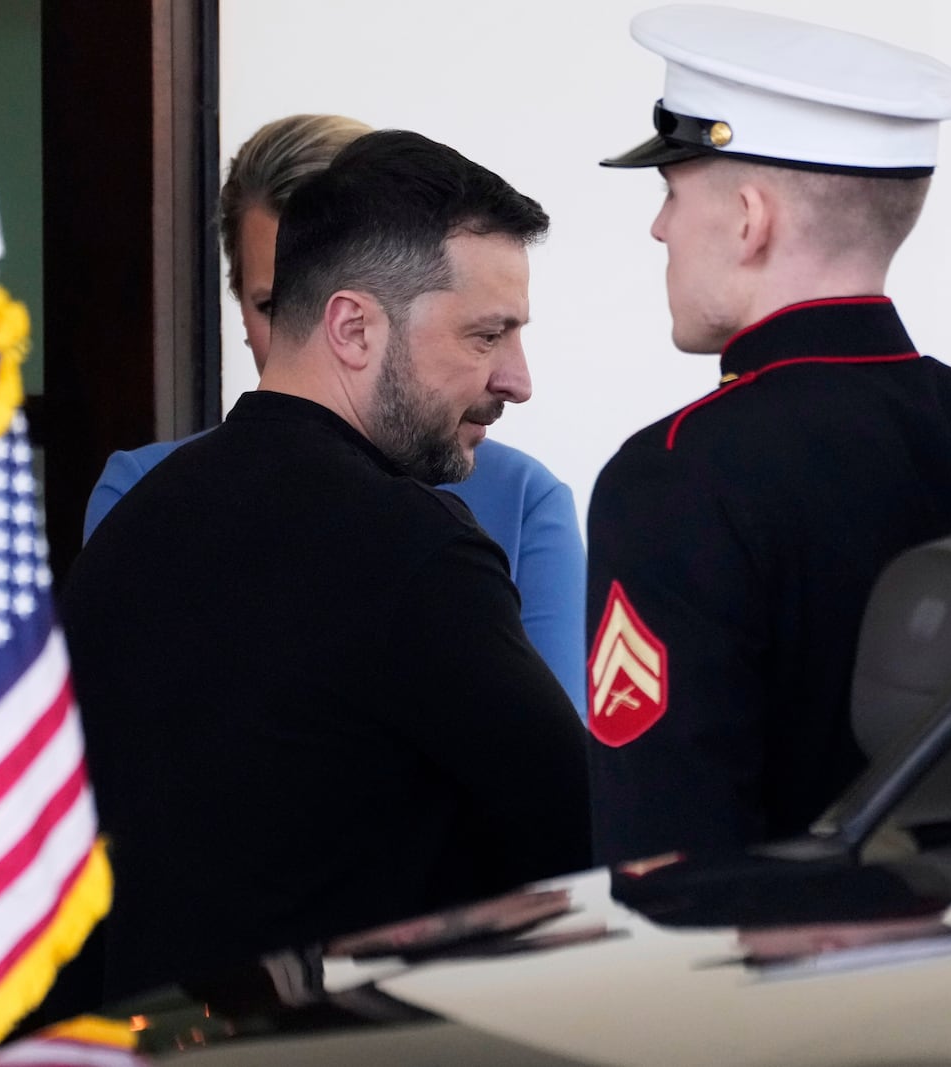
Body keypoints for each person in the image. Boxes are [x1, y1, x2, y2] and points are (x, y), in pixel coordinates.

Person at [585, 5, 951, 863]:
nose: (658, 227)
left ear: (749, 218)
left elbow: (665, 854)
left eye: (672, 190)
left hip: (795, 989)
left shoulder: (676, 476)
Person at [61, 129, 591, 1000]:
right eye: (486, 335)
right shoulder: (416, 550)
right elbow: (578, 837)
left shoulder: (134, 524)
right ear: (352, 326)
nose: (517, 377)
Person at [82, 114, 588, 715]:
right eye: (276, 303)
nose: (305, 341)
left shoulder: (522, 500)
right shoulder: (144, 492)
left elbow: (560, 780)